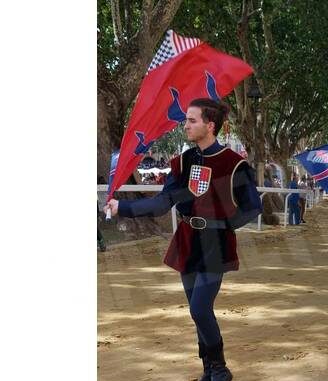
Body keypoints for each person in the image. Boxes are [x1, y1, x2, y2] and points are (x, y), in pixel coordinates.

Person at [104, 98, 262, 381]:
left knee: (200, 307)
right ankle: (208, 369)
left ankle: (220, 369)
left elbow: (252, 207)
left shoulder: (233, 163)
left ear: (209, 125)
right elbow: (162, 203)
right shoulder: (183, 161)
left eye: (192, 120)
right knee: (197, 310)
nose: (185, 125)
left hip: (215, 243)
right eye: (186, 119)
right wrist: (122, 208)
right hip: (188, 239)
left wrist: (225, 226)